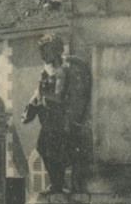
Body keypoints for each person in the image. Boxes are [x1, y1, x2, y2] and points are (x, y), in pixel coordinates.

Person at [21, 35, 92, 193]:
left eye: (46, 50)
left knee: (53, 150)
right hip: (49, 117)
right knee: (44, 148)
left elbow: (58, 97)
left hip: (60, 118)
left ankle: (59, 184)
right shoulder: (48, 69)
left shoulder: (61, 70)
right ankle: (57, 183)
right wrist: (33, 102)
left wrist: (42, 93)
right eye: (42, 51)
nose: (43, 55)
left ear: (56, 50)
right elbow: (40, 92)